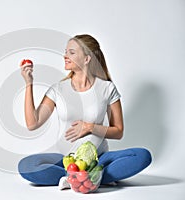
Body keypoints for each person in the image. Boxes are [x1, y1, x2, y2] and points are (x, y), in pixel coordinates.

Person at [17, 34, 152, 187]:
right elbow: (33, 123)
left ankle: (78, 178)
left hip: (99, 159)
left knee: (142, 156)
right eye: (66, 51)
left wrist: (89, 127)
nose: (65, 56)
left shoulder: (107, 88)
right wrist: (29, 83)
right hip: (67, 160)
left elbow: (118, 131)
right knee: (26, 166)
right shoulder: (58, 89)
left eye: (71, 52)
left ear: (87, 59)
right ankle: (91, 177)